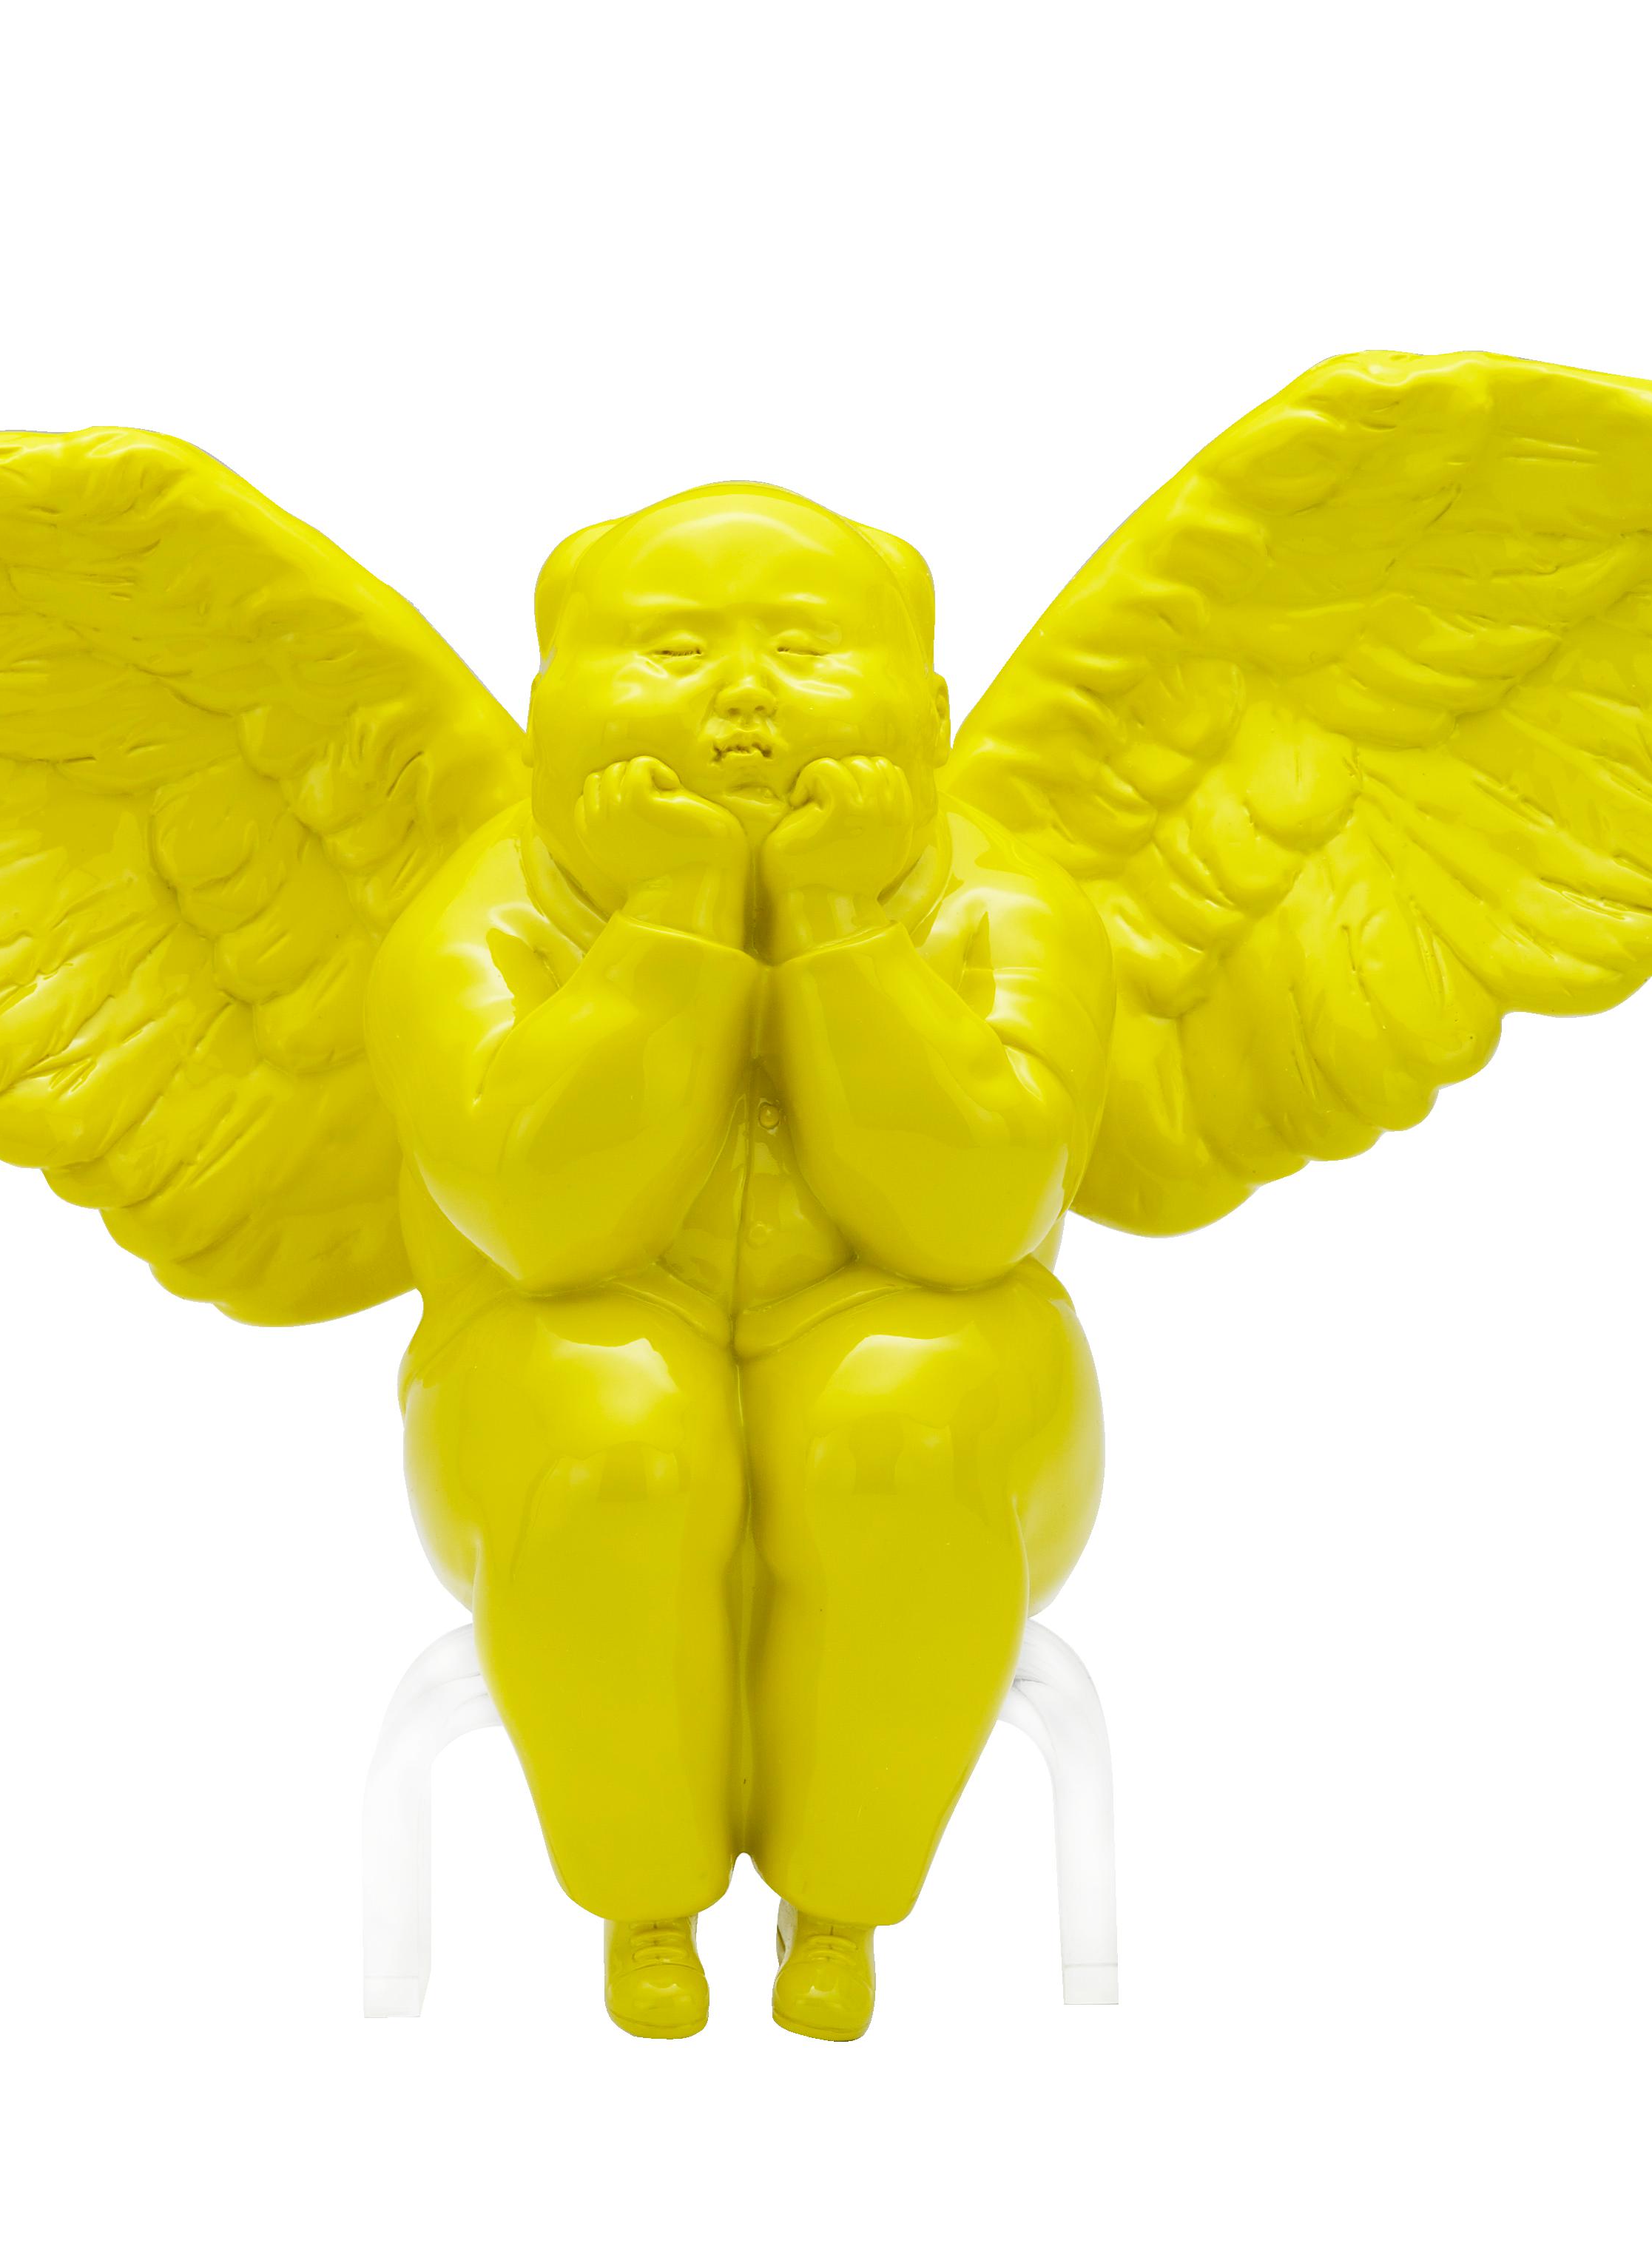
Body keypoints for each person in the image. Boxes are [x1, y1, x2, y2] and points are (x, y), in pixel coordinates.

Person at [368, 482, 1113, 2038]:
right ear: (547, 712)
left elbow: (969, 1215)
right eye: (669, 650)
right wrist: (678, 917)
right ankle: (640, 1898)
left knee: (907, 1420)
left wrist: (835, 919)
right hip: (548, 1344)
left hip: (938, 1342)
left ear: (928, 711)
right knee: (605, 1425)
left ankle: (844, 1904)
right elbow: (550, 1219)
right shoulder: (472, 922)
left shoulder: (1009, 907)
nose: (742, 697)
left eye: (805, 648)